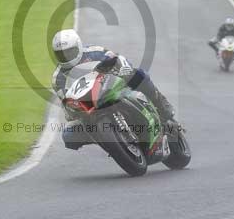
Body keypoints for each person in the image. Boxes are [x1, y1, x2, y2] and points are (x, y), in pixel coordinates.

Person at [51, 29, 179, 149]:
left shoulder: (93, 51)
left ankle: (162, 106)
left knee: (138, 75)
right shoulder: (58, 78)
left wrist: (124, 68)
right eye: (61, 54)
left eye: (69, 52)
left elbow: (116, 58)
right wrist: (73, 111)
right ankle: (110, 141)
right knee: (68, 136)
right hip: (88, 107)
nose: (66, 56)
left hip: (109, 86)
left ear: (78, 46)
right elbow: (66, 100)